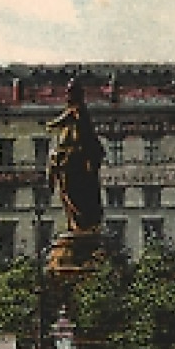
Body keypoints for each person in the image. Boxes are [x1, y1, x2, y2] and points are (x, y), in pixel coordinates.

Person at [45, 76, 106, 233]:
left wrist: (50, 125)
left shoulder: (79, 112)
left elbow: (68, 120)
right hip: (67, 163)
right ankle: (76, 223)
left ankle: (81, 224)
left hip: (77, 162)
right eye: (68, 91)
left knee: (75, 194)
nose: (68, 95)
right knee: (67, 193)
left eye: (71, 91)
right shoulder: (74, 113)